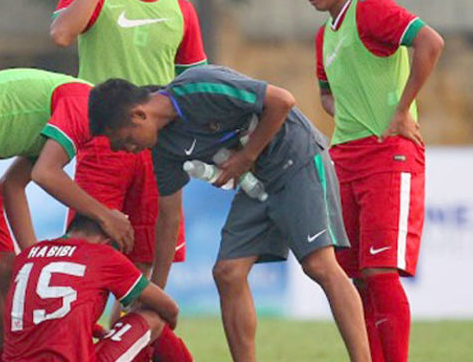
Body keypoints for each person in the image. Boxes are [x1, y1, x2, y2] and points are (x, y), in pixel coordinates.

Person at [90, 65, 372, 362]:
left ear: (138, 115)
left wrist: (246, 156)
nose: (128, 150)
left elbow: (283, 101)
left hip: (297, 159)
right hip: (258, 179)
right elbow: (169, 218)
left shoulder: (197, 87)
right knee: (228, 273)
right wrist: (155, 295)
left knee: (319, 265)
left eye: (126, 141)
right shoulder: (163, 149)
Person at [288, 0, 445, 362]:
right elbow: (326, 93)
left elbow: (430, 42)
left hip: (389, 155)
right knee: (352, 275)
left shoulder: (371, 8)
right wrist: (350, 110)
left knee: (379, 273)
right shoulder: (325, 35)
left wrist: (401, 110)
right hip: (344, 160)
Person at [0, 68, 133, 362]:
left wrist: (35, 258)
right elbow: (46, 174)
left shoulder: (76, 114)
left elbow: (13, 186)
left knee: (6, 269)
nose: (133, 148)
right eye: (138, 139)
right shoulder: (83, 106)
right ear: (134, 115)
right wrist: (106, 216)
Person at [49, 0, 206, 292]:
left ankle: (126, 344)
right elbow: (61, 35)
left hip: (157, 146)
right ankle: (78, 335)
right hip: (104, 141)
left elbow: (194, 83)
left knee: (144, 256)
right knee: (88, 246)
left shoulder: (181, 10)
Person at [2, 213, 189, 362]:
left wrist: (100, 331)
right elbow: (169, 308)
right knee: (153, 316)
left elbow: (49, 318)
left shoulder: (28, 255)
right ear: (110, 237)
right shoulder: (103, 254)